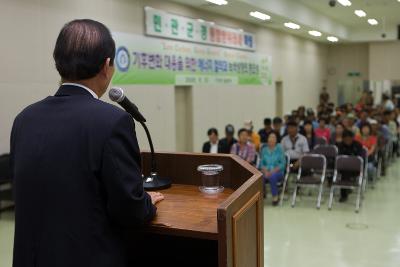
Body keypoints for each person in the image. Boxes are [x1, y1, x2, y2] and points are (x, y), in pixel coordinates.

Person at [10, 20, 164, 267]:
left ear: (58, 63)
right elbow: (131, 212)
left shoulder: (24, 119)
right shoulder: (112, 121)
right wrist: (146, 201)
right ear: (106, 66)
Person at [259, 132, 286, 206]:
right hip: (266, 171)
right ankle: (261, 195)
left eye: (273, 137)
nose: (271, 139)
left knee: (272, 176)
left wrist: (272, 171)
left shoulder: (279, 149)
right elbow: (261, 163)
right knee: (259, 177)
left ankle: (275, 196)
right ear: (267, 139)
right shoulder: (264, 149)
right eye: (270, 137)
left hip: (278, 172)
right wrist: (265, 171)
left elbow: (282, 164)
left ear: (276, 140)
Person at [337, 130, 364, 202]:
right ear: (343, 139)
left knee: (345, 175)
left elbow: (360, 159)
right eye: (346, 139)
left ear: (352, 138)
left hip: (355, 169)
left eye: (349, 139)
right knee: (344, 174)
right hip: (343, 168)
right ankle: (344, 194)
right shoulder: (340, 145)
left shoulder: (358, 145)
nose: (348, 141)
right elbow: (338, 158)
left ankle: (347, 190)